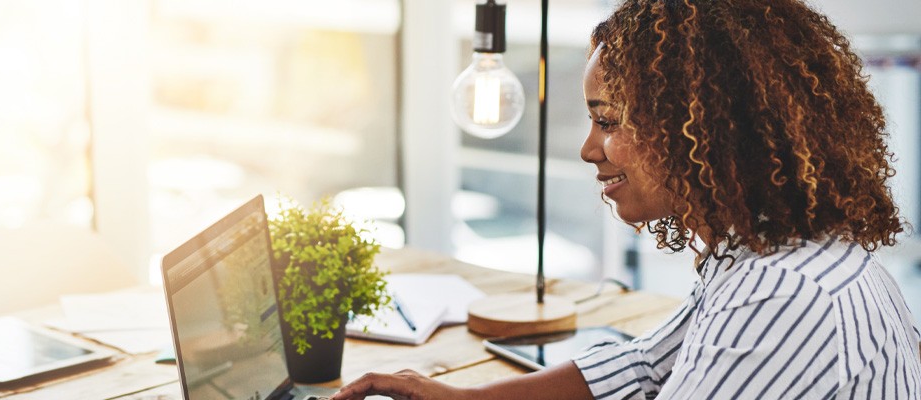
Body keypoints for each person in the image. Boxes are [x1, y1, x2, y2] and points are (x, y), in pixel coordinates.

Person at [333, 0, 921, 398]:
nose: (590, 150)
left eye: (607, 120)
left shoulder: (783, 294)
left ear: (702, 127)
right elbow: (642, 368)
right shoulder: (765, 255)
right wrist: (455, 396)